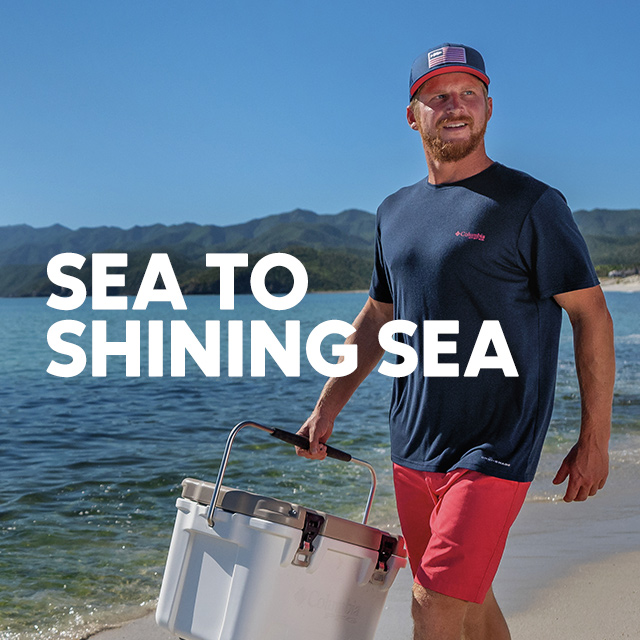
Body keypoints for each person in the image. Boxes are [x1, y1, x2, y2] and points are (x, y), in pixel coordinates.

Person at [296, 43, 615, 640]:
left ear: (490, 108)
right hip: (413, 446)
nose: (455, 107)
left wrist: (593, 438)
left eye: (469, 94)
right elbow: (378, 315)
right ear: (413, 114)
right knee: (469, 601)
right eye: (438, 96)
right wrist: (328, 404)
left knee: (433, 602)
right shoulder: (394, 212)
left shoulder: (532, 205)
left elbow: (591, 316)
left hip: (495, 448)